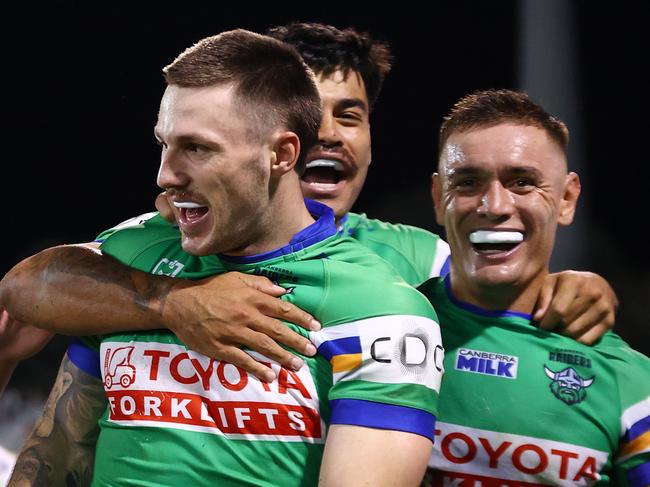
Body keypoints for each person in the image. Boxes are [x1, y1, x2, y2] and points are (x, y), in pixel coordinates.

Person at [0, 22, 617, 388]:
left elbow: (500, 303)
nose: (326, 135)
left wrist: (575, 284)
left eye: (349, 115)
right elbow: (28, 291)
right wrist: (173, 302)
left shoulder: (417, 256)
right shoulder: (170, 238)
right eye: (308, 115)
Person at [10, 28, 446, 486]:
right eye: (165, 144)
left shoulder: (384, 311)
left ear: (281, 153)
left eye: (197, 148)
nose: (165, 176)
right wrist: (171, 302)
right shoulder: (138, 255)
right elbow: (54, 456)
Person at [418, 89, 649, 486]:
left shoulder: (630, 381)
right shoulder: (379, 325)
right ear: (440, 199)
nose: (495, 206)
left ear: (566, 199)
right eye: (468, 182)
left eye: (522, 182)